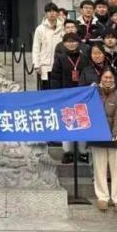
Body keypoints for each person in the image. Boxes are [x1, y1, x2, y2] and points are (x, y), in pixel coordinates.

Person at [88, 69, 117, 212]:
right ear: (100, 78)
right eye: (105, 77)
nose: (108, 80)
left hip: (115, 138)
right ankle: (102, 197)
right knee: (99, 169)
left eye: (110, 77)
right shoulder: (93, 94)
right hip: (97, 137)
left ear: (114, 79)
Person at [49, 33, 89, 163]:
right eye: (68, 41)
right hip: (65, 95)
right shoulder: (60, 58)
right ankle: (67, 152)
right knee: (68, 122)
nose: (71, 44)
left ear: (79, 43)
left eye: (74, 41)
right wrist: (57, 95)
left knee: (83, 122)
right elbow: (55, 78)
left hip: (82, 95)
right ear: (64, 43)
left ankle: (83, 152)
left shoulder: (84, 58)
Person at [32, 3, 63, 90]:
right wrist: (36, 64)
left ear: (57, 13)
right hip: (45, 64)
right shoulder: (40, 29)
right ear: (46, 13)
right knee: (46, 89)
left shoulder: (62, 27)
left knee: (59, 89)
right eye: (49, 11)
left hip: (59, 63)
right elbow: (36, 47)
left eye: (54, 11)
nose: (51, 13)